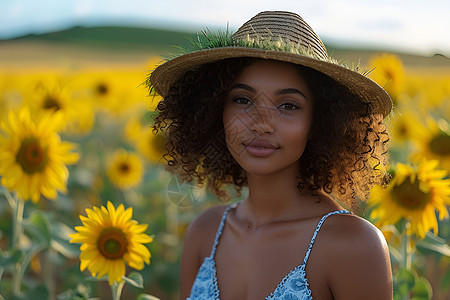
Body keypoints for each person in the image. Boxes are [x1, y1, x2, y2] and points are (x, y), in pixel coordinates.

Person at [148, 11, 393, 300]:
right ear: (215, 111)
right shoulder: (205, 232)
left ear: (321, 121)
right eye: (242, 100)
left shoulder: (353, 245)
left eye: (288, 105)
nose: (260, 123)